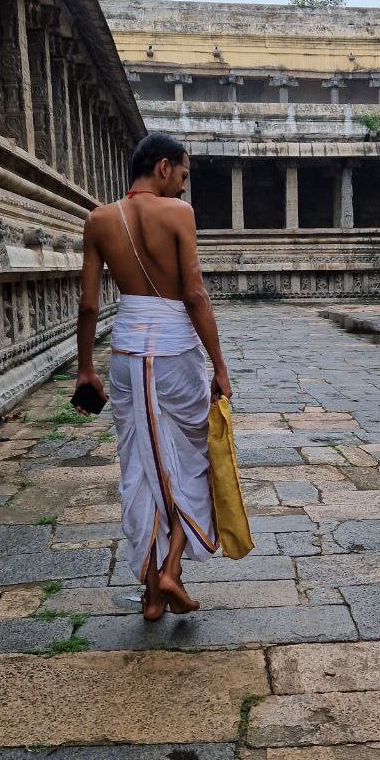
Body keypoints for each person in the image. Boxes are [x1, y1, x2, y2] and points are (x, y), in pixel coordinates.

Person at [74, 132, 232, 620]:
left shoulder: (99, 221)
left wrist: (85, 369)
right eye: (182, 176)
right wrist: (221, 367)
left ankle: (151, 592)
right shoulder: (178, 215)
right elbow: (196, 296)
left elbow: (88, 305)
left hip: (125, 356)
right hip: (174, 351)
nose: (182, 188)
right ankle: (171, 569)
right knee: (195, 458)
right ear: (163, 168)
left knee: (140, 465)